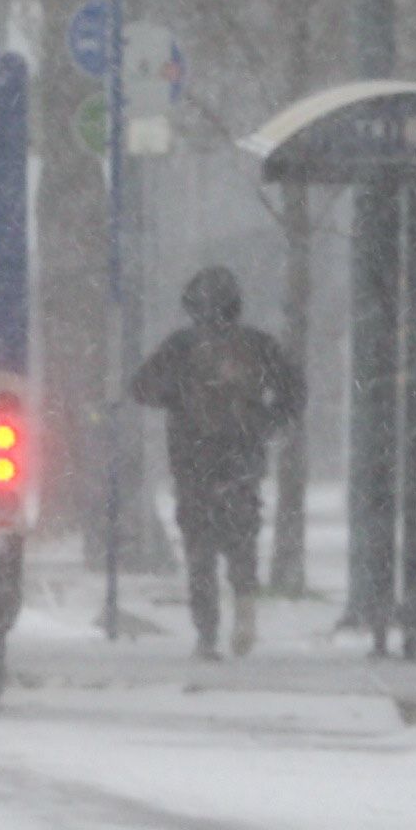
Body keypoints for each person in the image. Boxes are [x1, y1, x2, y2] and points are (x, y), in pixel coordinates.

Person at [130, 265, 302, 659]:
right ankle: (245, 610)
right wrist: (267, 421)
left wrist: (177, 398)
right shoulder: (258, 345)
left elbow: (141, 387)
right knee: (242, 543)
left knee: (199, 552)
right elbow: (294, 391)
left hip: (193, 463)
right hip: (243, 461)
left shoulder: (181, 346)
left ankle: (206, 635)